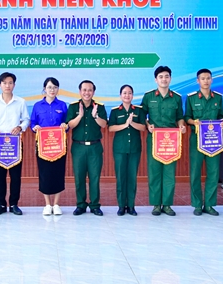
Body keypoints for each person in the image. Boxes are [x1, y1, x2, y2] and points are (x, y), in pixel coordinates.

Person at [142, 66, 186, 216]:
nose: (164, 79)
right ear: (156, 80)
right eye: (161, 77)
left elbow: (180, 117)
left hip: (171, 140)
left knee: (169, 173)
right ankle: (156, 205)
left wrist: (181, 126)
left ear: (170, 79)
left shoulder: (177, 97)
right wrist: (148, 125)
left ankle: (167, 205)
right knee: (154, 172)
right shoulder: (148, 97)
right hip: (154, 139)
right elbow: (142, 116)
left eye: (167, 76)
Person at [0, 72, 30, 216]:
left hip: (15, 144)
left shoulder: (21, 102)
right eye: (4, 83)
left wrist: (20, 127)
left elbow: (26, 119)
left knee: (15, 176)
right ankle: (1, 204)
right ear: (0, 85)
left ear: (14, 85)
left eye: (10, 83)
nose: (7, 85)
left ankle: (14, 204)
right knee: (0, 176)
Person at [185, 68, 223, 216]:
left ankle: (209, 204)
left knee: (213, 172)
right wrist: (193, 122)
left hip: (214, 140)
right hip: (197, 139)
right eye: (203, 78)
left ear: (211, 80)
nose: (206, 81)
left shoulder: (218, 98)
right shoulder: (191, 98)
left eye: (208, 78)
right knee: (195, 172)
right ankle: (197, 204)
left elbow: (221, 116)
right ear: (198, 81)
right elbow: (187, 117)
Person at [66, 80, 108, 216]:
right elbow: (70, 125)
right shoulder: (73, 107)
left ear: (93, 92)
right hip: (78, 147)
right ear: (80, 91)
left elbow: (104, 125)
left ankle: (95, 205)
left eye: (90, 90)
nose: (87, 93)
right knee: (79, 177)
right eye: (84, 90)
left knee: (94, 177)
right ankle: (81, 205)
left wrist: (95, 116)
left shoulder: (99, 107)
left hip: (95, 147)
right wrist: (80, 115)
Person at [31, 77, 68, 216]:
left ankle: (56, 204)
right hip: (43, 145)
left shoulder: (63, 105)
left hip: (59, 145)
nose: (52, 90)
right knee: (44, 173)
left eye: (55, 87)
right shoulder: (37, 106)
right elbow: (32, 123)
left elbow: (67, 123)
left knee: (58, 173)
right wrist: (35, 127)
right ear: (44, 89)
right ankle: (47, 204)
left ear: (58, 89)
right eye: (49, 87)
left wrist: (65, 125)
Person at [108, 84, 146, 216]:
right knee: (121, 177)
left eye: (129, 93)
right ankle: (121, 206)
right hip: (120, 149)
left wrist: (132, 123)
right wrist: (125, 125)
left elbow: (143, 127)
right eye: (124, 93)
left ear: (132, 95)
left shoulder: (139, 111)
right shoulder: (115, 111)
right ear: (120, 95)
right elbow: (110, 128)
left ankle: (131, 206)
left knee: (132, 178)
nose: (127, 95)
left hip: (135, 149)